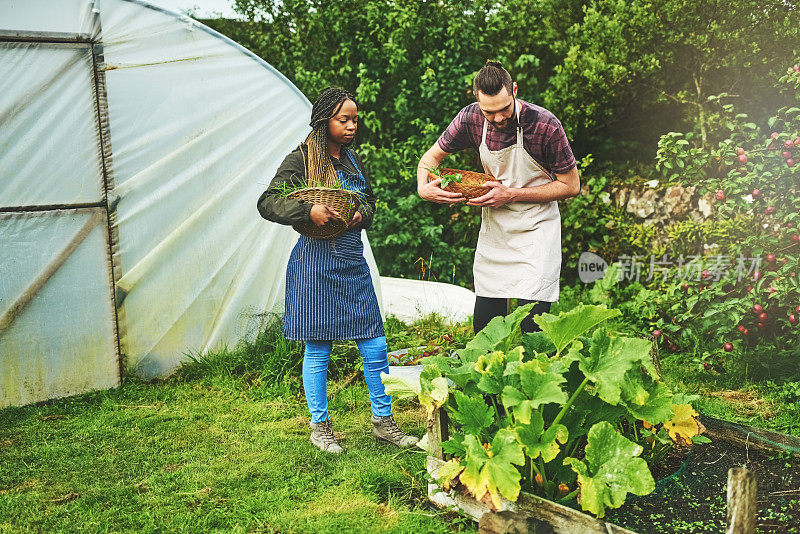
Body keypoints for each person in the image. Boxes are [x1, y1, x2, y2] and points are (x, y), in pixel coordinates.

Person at [257, 87, 418, 453]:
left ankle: (383, 421)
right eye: (343, 120)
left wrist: (363, 216)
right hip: (315, 264)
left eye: (354, 120)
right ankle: (321, 427)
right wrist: (307, 212)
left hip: (351, 260)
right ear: (323, 121)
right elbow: (267, 202)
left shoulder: (353, 160)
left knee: (375, 344)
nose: (351, 126)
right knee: (318, 350)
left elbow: (370, 202)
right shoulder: (300, 160)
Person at [416, 60, 580, 334]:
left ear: (514, 89)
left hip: (537, 229)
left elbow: (571, 185)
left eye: (504, 109)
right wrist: (424, 188)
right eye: (489, 112)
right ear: (477, 100)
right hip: (496, 230)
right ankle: (488, 374)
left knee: (533, 326)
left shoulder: (544, 124)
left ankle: (535, 373)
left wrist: (511, 194)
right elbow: (430, 158)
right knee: (486, 327)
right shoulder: (470, 118)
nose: (499, 118)